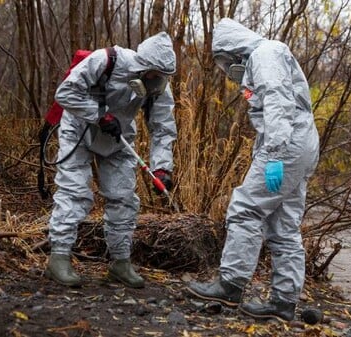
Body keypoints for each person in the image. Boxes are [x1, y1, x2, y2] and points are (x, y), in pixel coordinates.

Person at [186, 18, 319, 322]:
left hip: (286, 143)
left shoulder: (264, 54)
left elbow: (278, 103)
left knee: (245, 208)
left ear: (233, 49)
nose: (227, 67)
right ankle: (284, 302)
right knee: (283, 224)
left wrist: (273, 154)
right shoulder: (269, 53)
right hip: (300, 142)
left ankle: (230, 285)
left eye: (225, 59)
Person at [45, 32, 177, 288]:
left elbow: (162, 127)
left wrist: (162, 168)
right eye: (152, 74)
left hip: (120, 138)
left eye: (161, 76)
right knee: (75, 193)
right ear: (142, 66)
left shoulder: (159, 86)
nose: (155, 80)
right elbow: (65, 93)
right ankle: (58, 257)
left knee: (124, 198)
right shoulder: (106, 61)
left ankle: (120, 263)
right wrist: (99, 116)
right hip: (79, 131)